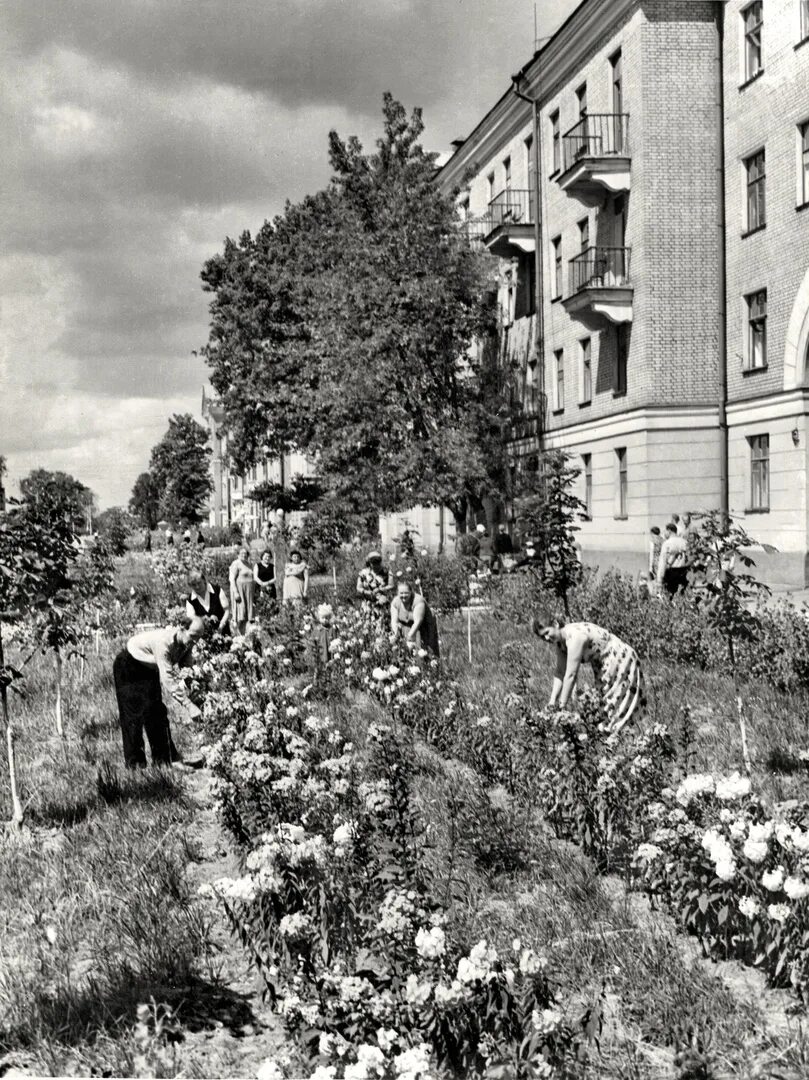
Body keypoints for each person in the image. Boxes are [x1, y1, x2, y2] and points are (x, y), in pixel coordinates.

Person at [113, 617, 205, 768]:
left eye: (198, 638)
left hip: (149, 668)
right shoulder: (164, 642)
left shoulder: (186, 644)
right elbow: (168, 680)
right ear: (182, 628)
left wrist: (197, 696)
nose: (195, 642)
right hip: (128, 665)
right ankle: (136, 765)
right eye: (193, 636)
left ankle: (164, 762)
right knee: (133, 717)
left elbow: (187, 672)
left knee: (156, 712)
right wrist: (189, 706)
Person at [532, 614, 645, 734]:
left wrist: (561, 708)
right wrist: (552, 702)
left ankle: (623, 737)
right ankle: (615, 737)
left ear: (555, 624)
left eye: (547, 633)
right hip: (603, 664)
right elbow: (560, 672)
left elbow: (571, 675)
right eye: (543, 637)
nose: (547, 638)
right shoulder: (561, 642)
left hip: (618, 658)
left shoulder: (575, 637)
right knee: (605, 705)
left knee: (613, 702)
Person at [390, 581, 440, 657]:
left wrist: (408, 638)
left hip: (423, 627)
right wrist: (396, 634)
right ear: (397, 593)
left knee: (425, 653)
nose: (403, 595)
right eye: (401, 593)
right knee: (406, 653)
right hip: (406, 626)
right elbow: (394, 621)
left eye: (406, 593)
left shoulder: (418, 601)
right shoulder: (395, 602)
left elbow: (418, 621)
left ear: (411, 591)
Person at [657, 522, 689, 596]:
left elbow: (663, 562)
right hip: (684, 572)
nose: (664, 533)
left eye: (665, 531)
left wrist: (660, 578)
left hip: (671, 573)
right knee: (682, 595)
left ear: (669, 530)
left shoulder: (667, 543)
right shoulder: (684, 542)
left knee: (671, 595)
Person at [229, 546, 256, 634]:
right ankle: (237, 637)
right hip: (240, 592)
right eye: (242, 553)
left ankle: (243, 637)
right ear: (238, 554)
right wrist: (236, 592)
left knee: (246, 617)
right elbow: (232, 579)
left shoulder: (249, 564)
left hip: (249, 593)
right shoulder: (236, 563)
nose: (244, 555)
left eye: (245, 553)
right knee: (240, 615)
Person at [310, 603, 335, 669]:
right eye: (323, 618)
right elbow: (312, 641)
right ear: (319, 618)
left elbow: (335, 640)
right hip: (320, 653)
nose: (325, 619)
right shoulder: (317, 629)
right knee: (319, 666)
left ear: (329, 618)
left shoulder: (332, 629)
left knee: (330, 666)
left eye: (327, 618)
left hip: (330, 653)